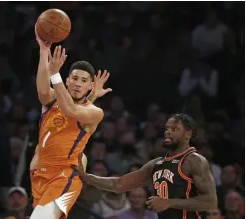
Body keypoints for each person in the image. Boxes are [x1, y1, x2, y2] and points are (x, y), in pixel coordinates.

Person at [30, 26, 112, 219]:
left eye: (83, 81)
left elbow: (72, 110)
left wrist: (54, 74)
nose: (77, 83)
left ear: (90, 85)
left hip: (66, 177)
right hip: (41, 177)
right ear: (67, 81)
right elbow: (43, 91)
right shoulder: (54, 100)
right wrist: (44, 51)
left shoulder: (95, 112)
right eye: (74, 78)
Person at [76, 114, 218, 219]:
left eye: (174, 128)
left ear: (188, 134)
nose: (168, 131)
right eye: (167, 128)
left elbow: (210, 202)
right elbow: (118, 184)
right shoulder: (156, 164)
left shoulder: (195, 161)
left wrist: (169, 202)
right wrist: (87, 177)